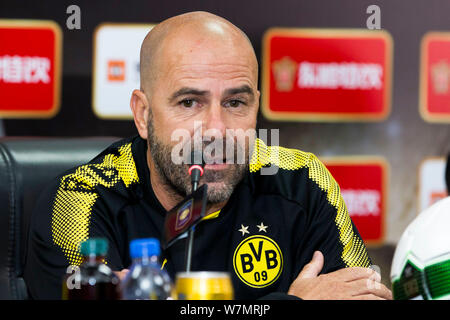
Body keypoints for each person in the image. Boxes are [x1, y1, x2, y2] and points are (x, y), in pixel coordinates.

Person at [24, 11, 392, 300]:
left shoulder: (302, 182)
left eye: (235, 102)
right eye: (189, 102)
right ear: (143, 114)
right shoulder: (80, 202)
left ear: (256, 107)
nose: (216, 129)